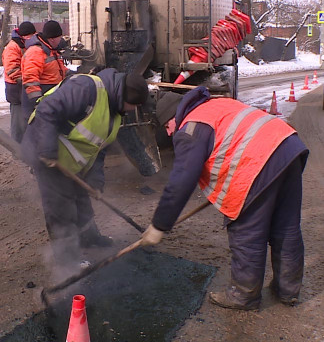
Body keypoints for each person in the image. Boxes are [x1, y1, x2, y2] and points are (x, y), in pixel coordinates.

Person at [142, 86, 309, 310]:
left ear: (175, 116)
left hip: (258, 164)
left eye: (167, 126)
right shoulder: (216, 105)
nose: (170, 132)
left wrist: (159, 224)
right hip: (288, 148)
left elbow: (182, 180)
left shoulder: (190, 128)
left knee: (246, 233)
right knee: (286, 227)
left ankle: (243, 295)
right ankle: (287, 289)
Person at [22, 68, 149, 265]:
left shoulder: (116, 112)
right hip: (45, 152)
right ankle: (68, 261)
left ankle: (89, 239)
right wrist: (47, 150)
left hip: (71, 163)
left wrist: (96, 182)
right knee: (61, 209)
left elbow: (98, 150)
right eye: (133, 104)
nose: (133, 110)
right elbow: (47, 110)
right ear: (124, 95)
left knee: (82, 201)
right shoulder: (86, 88)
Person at [21, 20, 68, 123]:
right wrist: (37, 102)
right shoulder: (36, 52)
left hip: (48, 100)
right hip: (38, 103)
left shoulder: (51, 51)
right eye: (59, 37)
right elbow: (30, 79)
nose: (61, 40)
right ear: (52, 39)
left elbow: (59, 70)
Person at [2, 21, 36, 143]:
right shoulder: (12, 47)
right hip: (15, 89)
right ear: (23, 36)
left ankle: (26, 147)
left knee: (26, 120)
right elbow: (12, 70)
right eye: (29, 36)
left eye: (33, 35)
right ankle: (17, 149)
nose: (31, 38)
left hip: (23, 87)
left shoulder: (26, 45)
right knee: (18, 123)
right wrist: (29, 80)